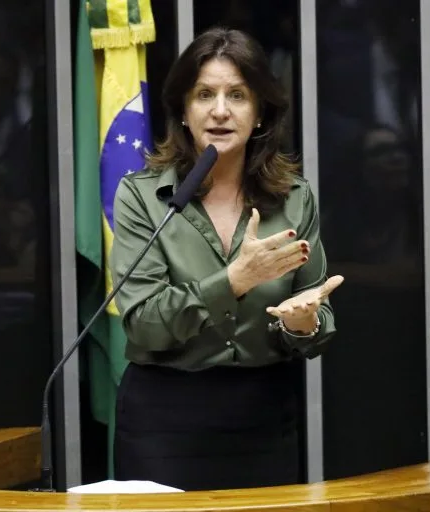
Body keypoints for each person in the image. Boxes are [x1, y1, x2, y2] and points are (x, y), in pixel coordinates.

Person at [110, 27, 344, 492]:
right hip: (164, 419)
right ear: (183, 109)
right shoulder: (143, 197)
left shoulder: (295, 199)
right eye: (204, 95)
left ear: (259, 112)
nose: (220, 110)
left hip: (263, 417)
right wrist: (232, 281)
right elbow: (143, 324)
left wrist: (303, 326)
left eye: (237, 95)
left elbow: (315, 314)